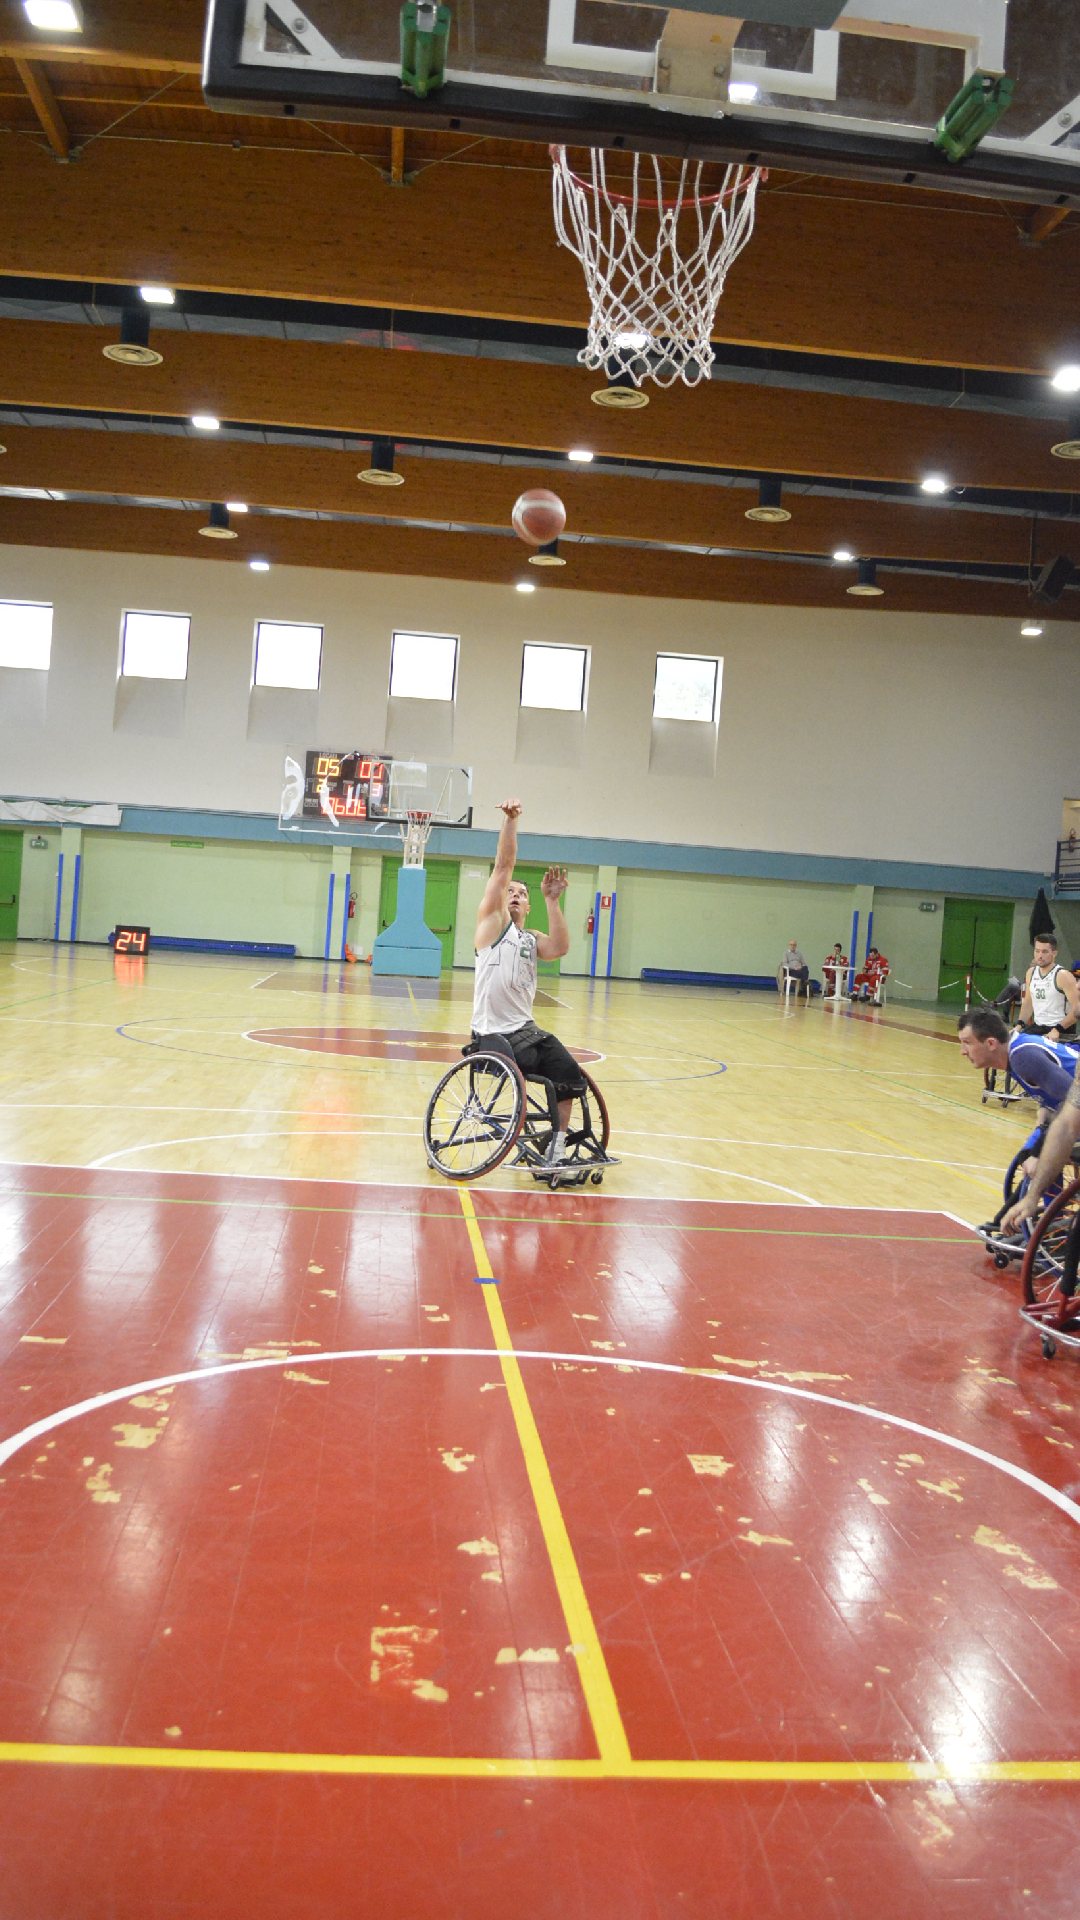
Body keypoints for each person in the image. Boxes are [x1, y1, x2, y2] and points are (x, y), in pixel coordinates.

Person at [471, 798, 587, 1181]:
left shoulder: (531, 939)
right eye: (510, 892)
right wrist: (511, 821)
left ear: (529, 905)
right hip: (493, 1034)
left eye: (523, 893)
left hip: (526, 1031)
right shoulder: (492, 926)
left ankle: (556, 1150)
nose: (515, 895)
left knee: (569, 1074)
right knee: (549, 1066)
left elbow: (560, 948)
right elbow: (503, 867)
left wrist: (553, 900)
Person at [958, 1008, 1079, 1243]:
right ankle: (1050, 1226)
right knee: (1033, 1153)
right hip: (1070, 1113)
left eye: (967, 1043)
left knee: (1044, 1157)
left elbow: (1070, 1103)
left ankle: (1055, 1229)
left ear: (991, 1043)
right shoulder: (1017, 1052)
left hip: (1075, 1113)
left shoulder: (1023, 1056)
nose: (963, 1051)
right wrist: (1035, 1140)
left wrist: (1039, 1152)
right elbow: (1049, 1101)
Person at [1019, 933, 1078, 1042]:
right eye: (1037, 951)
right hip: (1038, 1026)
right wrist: (1019, 1025)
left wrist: (1058, 1029)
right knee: (1014, 1043)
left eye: (1044, 952)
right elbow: (1028, 1002)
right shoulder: (1031, 973)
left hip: (1060, 1029)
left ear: (1054, 953)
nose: (1040, 955)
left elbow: (1078, 1008)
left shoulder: (1063, 975)